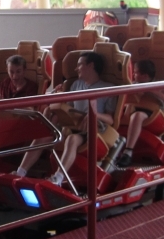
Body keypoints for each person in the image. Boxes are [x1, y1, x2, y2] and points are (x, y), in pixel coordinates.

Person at [15, 51, 115, 186]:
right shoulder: (75, 86)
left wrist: (94, 114)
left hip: (92, 129)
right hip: (72, 125)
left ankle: (58, 178)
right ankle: (20, 172)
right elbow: (68, 110)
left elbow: (111, 120)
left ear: (91, 66)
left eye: (79, 65)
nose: (76, 68)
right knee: (43, 137)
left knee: (71, 140)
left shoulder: (108, 89)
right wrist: (57, 100)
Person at [119, 59, 164, 167]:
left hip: (150, 111)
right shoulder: (132, 83)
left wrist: (147, 88)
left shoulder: (158, 84)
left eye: (136, 72)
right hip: (131, 107)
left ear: (145, 76)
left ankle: (128, 151)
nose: (133, 74)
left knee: (137, 116)